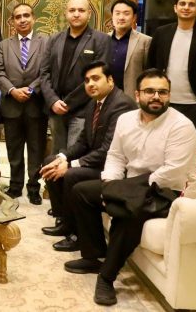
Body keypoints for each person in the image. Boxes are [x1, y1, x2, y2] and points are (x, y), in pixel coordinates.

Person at [64, 69, 196, 306]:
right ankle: (93, 255)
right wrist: (111, 186)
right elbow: (116, 156)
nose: (156, 97)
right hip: (128, 183)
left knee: (128, 211)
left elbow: (172, 172)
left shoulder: (182, 126)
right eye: (149, 91)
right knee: (81, 191)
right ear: (137, 95)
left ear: (169, 95)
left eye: (162, 92)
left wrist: (122, 192)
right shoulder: (126, 120)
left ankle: (106, 277)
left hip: (165, 191)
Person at [40, 61, 136, 252]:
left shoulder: (121, 105)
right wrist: (62, 157)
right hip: (97, 162)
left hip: (115, 168)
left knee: (71, 174)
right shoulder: (94, 103)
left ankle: (77, 234)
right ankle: (65, 220)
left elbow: (108, 150)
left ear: (110, 80)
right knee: (52, 161)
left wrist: (72, 164)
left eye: (96, 78)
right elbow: (83, 142)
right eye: (86, 80)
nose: (90, 84)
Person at [39, 0, 111, 154]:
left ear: (89, 14)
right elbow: (44, 73)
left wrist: (68, 104)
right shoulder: (54, 39)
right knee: (57, 154)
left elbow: (97, 78)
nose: (76, 14)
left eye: (81, 10)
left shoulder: (101, 40)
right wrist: (53, 101)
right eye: (72, 10)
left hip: (83, 110)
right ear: (66, 13)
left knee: (73, 155)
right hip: (56, 109)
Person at [147, 0, 196, 137]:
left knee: (191, 145)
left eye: (191, 4)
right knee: (157, 141)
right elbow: (150, 66)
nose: (186, 7)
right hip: (163, 101)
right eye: (182, 4)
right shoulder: (161, 33)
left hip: (194, 105)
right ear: (175, 8)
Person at [0, 3, 47, 204]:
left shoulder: (45, 42)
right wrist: (13, 91)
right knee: (14, 150)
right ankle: (15, 185)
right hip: (12, 105)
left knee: (36, 149)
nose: (22, 20)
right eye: (18, 17)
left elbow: (47, 71)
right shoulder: (4, 45)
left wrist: (31, 89)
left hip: (36, 105)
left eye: (26, 15)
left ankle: (33, 187)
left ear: (33, 18)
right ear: (13, 21)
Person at [108, 0, 151, 100]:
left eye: (126, 13)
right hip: (106, 95)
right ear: (112, 16)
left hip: (131, 97)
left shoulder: (145, 41)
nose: (121, 17)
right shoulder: (103, 39)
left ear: (134, 17)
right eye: (117, 13)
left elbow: (148, 73)